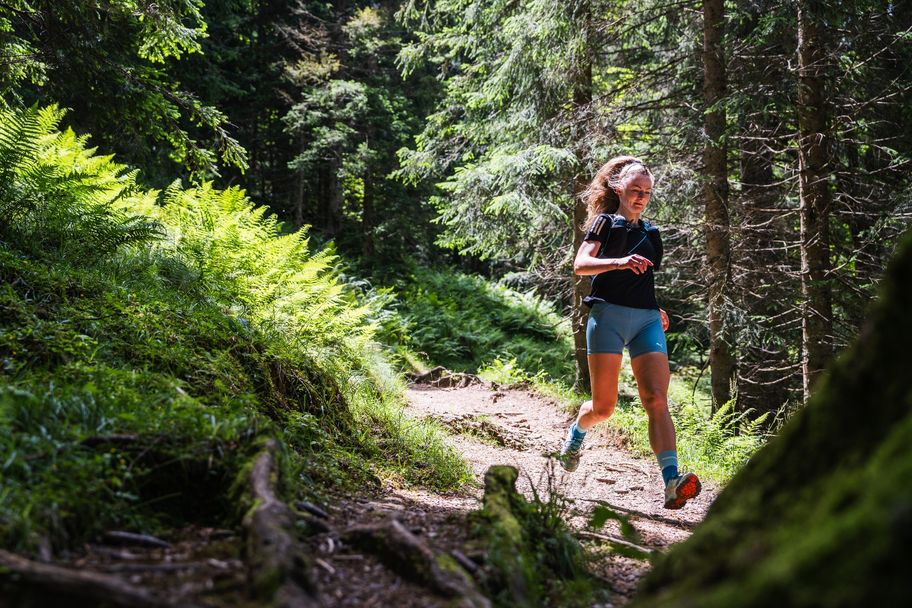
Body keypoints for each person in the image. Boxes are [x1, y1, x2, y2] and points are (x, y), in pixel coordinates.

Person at [558, 156, 701, 510]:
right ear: (619, 188)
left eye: (647, 192)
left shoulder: (651, 233)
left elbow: (643, 279)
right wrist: (619, 262)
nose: (641, 197)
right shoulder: (605, 223)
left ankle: (671, 482)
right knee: (604, 408)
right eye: (636, 189)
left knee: (656, 398)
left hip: (646, 320)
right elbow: (581, 264)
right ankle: (578, 431)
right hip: (607, 315)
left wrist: (655, 307)